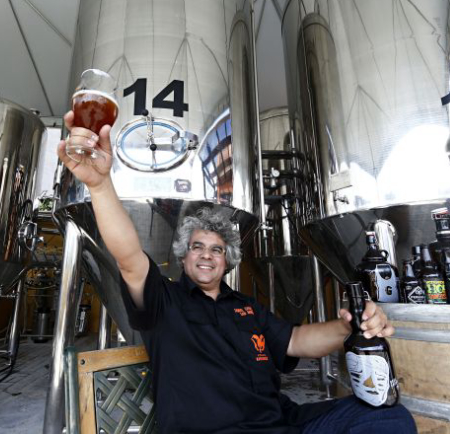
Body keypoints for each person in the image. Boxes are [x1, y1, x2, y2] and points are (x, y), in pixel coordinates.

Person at [58, 113, 417, 434]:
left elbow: (295, 341)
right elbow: (128, 257)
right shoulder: (163, 302)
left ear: (227, 261)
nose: (206, 256)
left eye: (216, 250)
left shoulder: (247, 308)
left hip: (282, 422)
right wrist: (100, 185)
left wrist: (352, 326)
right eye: (197, 247)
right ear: (183, 257)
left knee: (389, 418)